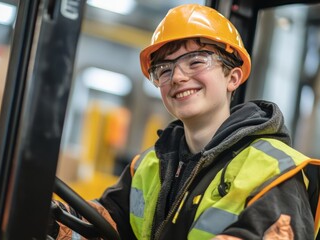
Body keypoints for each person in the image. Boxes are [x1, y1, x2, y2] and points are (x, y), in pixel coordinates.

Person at [49, 4, 320, 240]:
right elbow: (105, 222)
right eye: (164, 69)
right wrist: (50, 218)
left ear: (233, 78)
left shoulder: (275, 173)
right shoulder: (147, 167)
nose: (177, 77)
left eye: (196, 62)